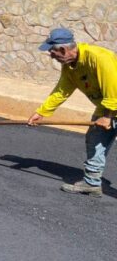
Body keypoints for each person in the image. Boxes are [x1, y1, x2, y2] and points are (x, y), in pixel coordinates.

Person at [27, 28, 117, 197]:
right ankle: (91, 183)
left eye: (52, 51)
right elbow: (62, 90)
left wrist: (107, 116)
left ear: (63, 50)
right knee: (95, 141)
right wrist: (42, 112)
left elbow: (114, 88)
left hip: (111, 108)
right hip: (106, 109)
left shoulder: (99, 58)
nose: (51, 56)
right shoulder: (70, 66)